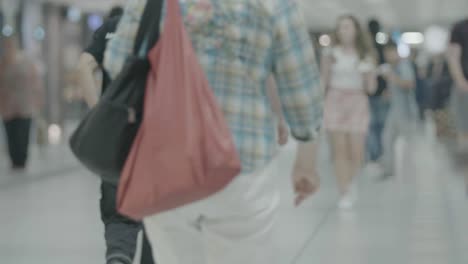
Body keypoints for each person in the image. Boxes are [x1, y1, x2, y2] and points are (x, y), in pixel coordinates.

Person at [104, 0, 323, 263]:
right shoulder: (275, 4)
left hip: (167, 161)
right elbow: (300, 85)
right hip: (243, 164)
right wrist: (306, 159)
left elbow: (117, 62)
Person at [75, 6, 155, 264]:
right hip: (159, 135)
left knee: (120, 213)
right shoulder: (175, 24)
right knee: (159, 217)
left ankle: (119, 257)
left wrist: (98, 114)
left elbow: (83, 65)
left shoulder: (113, 27)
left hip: (118, 136)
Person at [322, 15, 377, 209]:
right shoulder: (330, 54)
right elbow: (324, 82)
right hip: (335, 101)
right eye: (341, 27)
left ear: (356, 30)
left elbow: (371, 88)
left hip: (357, 101)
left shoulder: (365, 56)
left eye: (348, 26)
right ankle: (343, 190)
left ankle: (351, 182)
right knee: (339, 150)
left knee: (356, 151)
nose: (344, 30)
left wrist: (368, 73)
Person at [0, 35, 43, 171]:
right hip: (8, 105)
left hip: (25, 104)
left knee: (23, 133)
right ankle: (14, 160)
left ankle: (22, 160)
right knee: (11, 133)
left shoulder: (26, 62)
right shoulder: (3, 63)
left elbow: (35, 82)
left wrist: (38, 99)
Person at [380, 41, 419, 178]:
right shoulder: (393, 67)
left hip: (406, 111)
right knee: (387, 138)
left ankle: (410, 172)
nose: (388, 56)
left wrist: (392, 77)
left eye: (389, 52)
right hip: (394, 110)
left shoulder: (403, 65)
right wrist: (387, 93)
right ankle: (389, 170)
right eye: (386, 53)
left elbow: (409, 84)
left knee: (408, 143)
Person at [447, 18, 468, 193]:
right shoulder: (460, 27)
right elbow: (453, 57)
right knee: (465, 132)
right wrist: (461, 81)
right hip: (465, 87)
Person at [366, 19, 390, 172]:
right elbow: (385, 71)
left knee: (373, 125)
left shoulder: (368, 49)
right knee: (378, 125)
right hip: (377, 92)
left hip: (371, 93)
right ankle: (377, 153)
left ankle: (375, 155)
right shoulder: (378, 49)